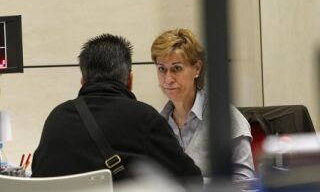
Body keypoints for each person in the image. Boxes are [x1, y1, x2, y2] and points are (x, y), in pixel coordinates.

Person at [32, 34, 202, 183]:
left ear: (83, 81)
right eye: (162, 69)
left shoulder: (56, 117)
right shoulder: (144, 119)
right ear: (129, 80)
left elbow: (38, 177)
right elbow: (191, 180)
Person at [150, 28, 255, 181]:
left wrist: (191, 184)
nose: (168, 79)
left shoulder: (226, 118)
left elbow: (245, 184)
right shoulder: (157, 123)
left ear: (197, 69)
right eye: (161, 69)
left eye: (176, 68)